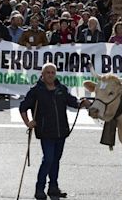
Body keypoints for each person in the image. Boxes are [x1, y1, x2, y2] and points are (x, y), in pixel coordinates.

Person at [19, 63, 91, 199]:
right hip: (46, 132)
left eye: (53, 72)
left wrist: (82, 103)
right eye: (48, 72)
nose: (51, 75)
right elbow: (23, 107)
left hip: (61, 131)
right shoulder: (36, 90)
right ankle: (39, 189)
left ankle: (53, 187)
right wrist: (28, 122)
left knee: (56, 160)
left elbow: (72, 102)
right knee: (48, 160)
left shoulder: (61, 89)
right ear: (43, 74)